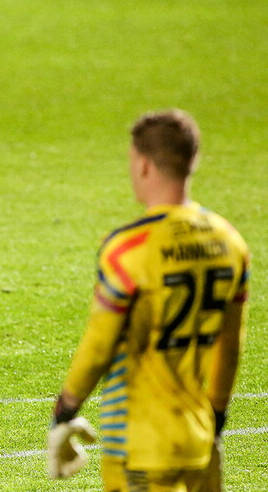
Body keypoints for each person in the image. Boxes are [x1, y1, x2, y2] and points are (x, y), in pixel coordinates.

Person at [46, 109, 249, 490]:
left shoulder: (128, 249)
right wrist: (215, 422)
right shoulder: (230, 242)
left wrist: (65, 411)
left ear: (142, 165)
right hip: (198, 438)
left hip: (139, 442)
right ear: (193, 161)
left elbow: (99, 345)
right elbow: (230, 346)